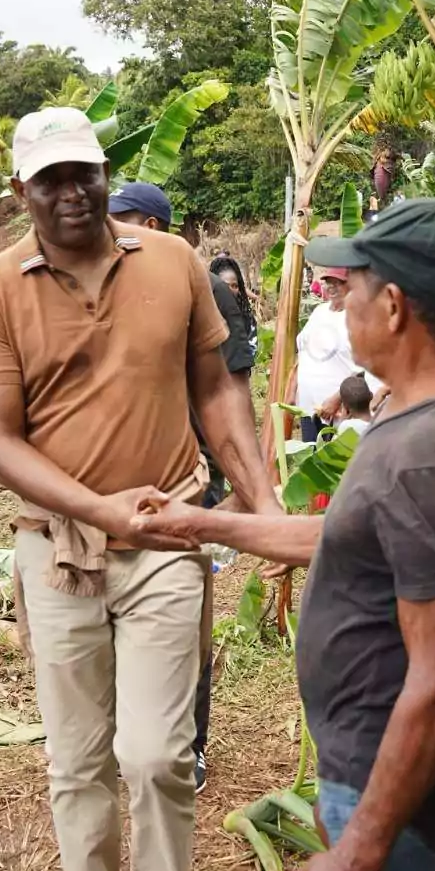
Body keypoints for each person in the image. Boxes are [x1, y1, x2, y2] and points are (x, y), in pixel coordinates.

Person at [133, 198, 435, 871]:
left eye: (353, 292)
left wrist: (358, 854)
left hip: (394, 785)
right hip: (371, 772)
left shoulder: (426, 456)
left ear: (395, 305)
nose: (343, 310)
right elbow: (353, 539)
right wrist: (207, 525)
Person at [0, 107, 278, 871]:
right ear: (20, 190)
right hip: (59, 548)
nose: (72, 193)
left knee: (159, 755)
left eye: (84, 174)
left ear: (105, 174)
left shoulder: (173, 262)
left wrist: (262, 504)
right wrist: (100, 512)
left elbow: (216, 389)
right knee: (78, 762)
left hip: (169, 534)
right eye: (50, 180)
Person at [107, 182, 255, 795]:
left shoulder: (206, 287)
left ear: (148, 222)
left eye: (117, 220)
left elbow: (232, 393)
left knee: (184, 619)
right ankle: (129, 734)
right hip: (118, 483)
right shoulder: (109, 280)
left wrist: (249, 487)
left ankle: (189, 744)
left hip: (189, 477)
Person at [294, 266, 379, 442]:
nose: (331, 287)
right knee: (311, 459)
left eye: (338, 283)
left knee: (331, 461)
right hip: (309, 406)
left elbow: (362, 367)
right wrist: (295, 388)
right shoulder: (319, 312)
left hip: (338, 410)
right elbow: (304, 350)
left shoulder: (355, 317)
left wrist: (336, 399)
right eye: (328, 282)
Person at [210, 253, 259, 366]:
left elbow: (251, 349)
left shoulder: (247, 317)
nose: (231, 290)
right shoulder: (205, 316)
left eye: (235, 286)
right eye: (225, 285)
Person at [335, 374, 374, 438]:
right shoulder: (380, 420)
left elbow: (333, 445)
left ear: (345, 407)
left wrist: (342, 420)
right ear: (371, 396)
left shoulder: (346, 427)